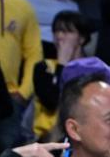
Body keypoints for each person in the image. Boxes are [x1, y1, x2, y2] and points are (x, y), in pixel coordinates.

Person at [31, 10, 89, 139]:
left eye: (67, 31)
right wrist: (62, 64)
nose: (59, 36)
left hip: (82, 134)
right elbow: (51, 101)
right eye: (56, 31)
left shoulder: (92, 68)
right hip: (48, 137)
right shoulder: (43, 67)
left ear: (81, 39)